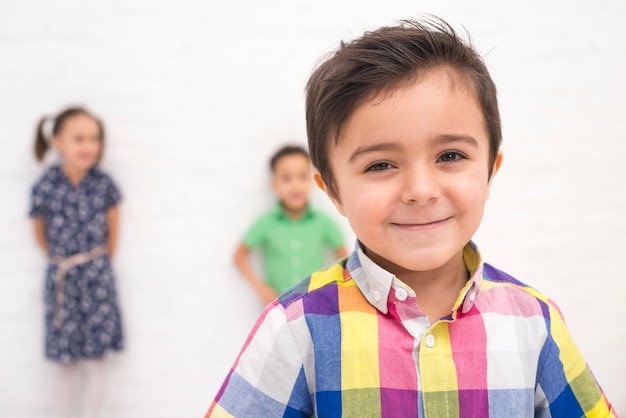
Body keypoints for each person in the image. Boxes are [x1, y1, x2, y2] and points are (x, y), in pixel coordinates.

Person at [206, 17, 616, 417]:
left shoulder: (535, 322)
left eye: (450, 156)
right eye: (381, 165)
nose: (421, 191)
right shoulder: (295, 328)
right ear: (333, 190)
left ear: (490, 170)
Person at [29, 107, 124, 418]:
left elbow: (113, 231)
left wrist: (94, 263)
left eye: (94, 138)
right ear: (57, 141)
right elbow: (40, 232)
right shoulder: (45, 185)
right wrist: (65, 262)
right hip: (62, 280)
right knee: (66, 364)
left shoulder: (104, 184)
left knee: (98, 362)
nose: (88, 146)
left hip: (97, 278)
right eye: (79, 138)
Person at [234, 144, 348, 304]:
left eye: (302, 177)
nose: (295, 185)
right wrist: (262, 289)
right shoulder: (266, 223)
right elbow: (239, 256)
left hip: (314, 303)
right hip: (278, 306)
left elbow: (345, 258)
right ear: (274, 184)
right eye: (286, 178)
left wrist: (331, 288)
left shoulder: (323, 222)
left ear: (312, 180)